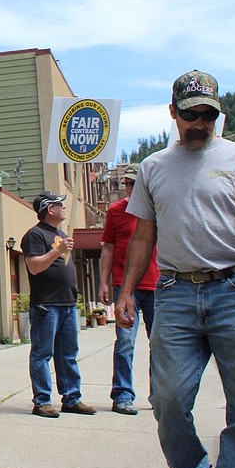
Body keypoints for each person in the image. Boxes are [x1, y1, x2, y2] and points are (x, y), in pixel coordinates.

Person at [116, 70, 235, 468]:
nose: (200, 123)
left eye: (209, 115)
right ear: (174, 113)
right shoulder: (153, 167)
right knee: (166, 399)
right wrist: (126, 292)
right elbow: (143, 237)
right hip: (175, 293)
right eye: (191, 115)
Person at [22, 192, 96, 418]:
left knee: (68, 354)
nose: (64, 208)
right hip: (46, 304)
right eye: (59, 204)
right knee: (42, 354)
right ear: (49, 209)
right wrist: (58, 250)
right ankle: (42, 400)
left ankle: (72, 398)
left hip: (67, 303)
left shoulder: (61, 234)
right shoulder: (35, 235)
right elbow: (35, 267)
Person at [98, 163, 159, 415]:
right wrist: (103, 281)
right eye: (127, 183)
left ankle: (160, 395)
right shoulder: (116, 211)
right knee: (125, 342)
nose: (130, 187)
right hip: (125, 286)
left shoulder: (157, 207)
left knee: (161, 344)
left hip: (157, 284)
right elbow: (108, 247)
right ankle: (122, 394)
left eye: (134, 183)